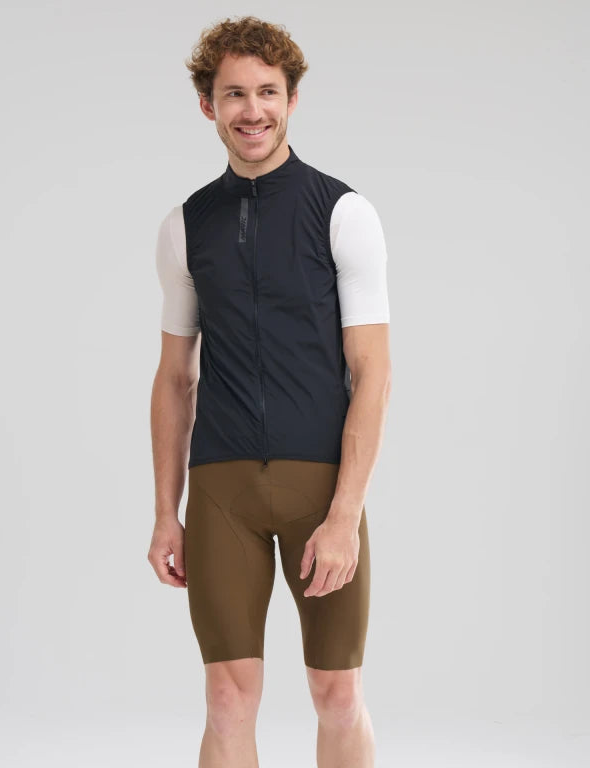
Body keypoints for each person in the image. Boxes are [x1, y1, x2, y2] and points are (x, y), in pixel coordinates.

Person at [148, 15, 390, 768]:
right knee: (226, 700)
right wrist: (165, 512)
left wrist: (345, 514)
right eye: (233, 94)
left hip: (321, 486)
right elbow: (175, 377)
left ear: (291, 100)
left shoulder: (342, 212)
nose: (252, 110)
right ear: (207, 105)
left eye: (267, 92)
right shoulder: (187, 226)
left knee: (337, 694)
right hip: (221, 490)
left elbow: (373, 373)